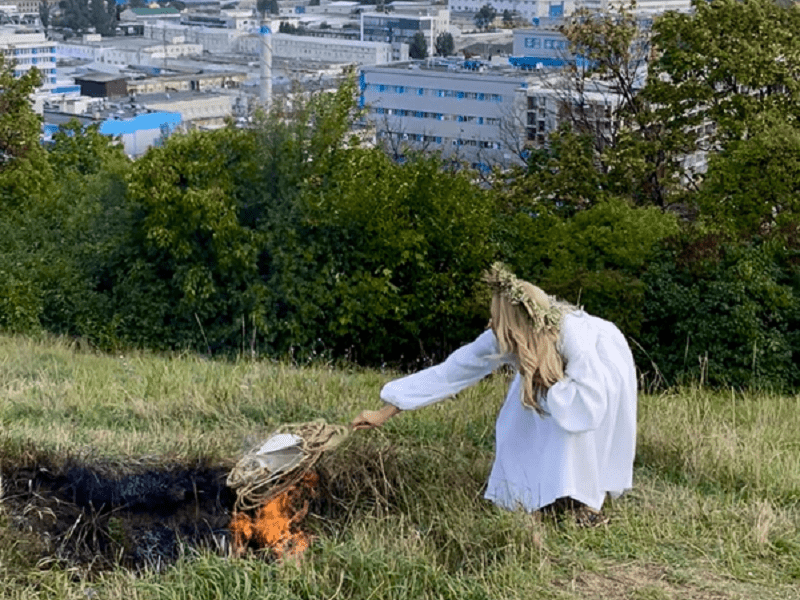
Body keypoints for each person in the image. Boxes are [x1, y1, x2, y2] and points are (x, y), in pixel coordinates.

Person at [351, 262, 637, 518]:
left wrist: (549, 388)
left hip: (598, 377)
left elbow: (588, 406)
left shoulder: (574, 336)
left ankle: (581, 502)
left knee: (568, 425)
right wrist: (385, 411)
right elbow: (451, 372)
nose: (491, 324)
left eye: (497, 318)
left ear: (520, 325)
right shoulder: (502, 337)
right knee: (515, 423)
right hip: (545, 377)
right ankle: (526, 496)